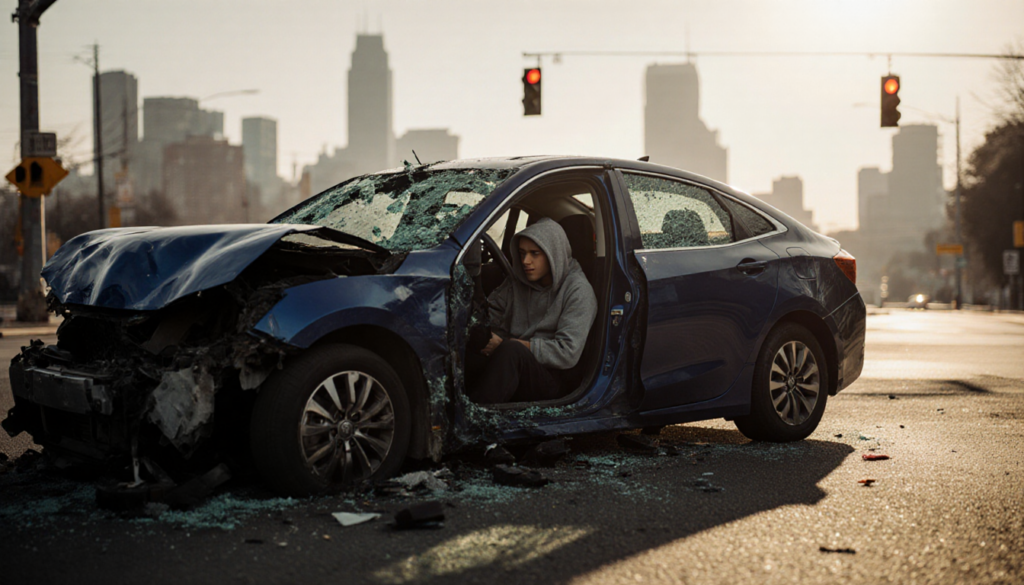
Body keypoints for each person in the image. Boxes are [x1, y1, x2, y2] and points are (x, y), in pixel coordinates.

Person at [467, 217, 598, 404]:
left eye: (535, 253)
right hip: (510, 363)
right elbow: (491, 316)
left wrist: (507, 343)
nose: (526, 261)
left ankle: (471, 423)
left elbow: (567, 353)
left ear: (553, 254)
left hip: (552, 379)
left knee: (512, 350)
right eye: (522, 253)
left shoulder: (578, 291)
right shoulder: (518, 281)